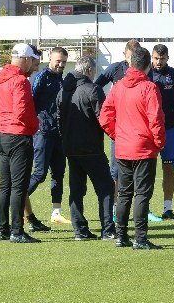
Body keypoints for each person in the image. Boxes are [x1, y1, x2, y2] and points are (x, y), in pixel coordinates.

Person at [99, 47, 165, 250]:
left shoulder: (118, 87)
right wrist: (159, 142)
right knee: (142, 193)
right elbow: (156, 119)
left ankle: (121, 236)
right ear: (148, 65)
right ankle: (140, 238)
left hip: (124, 148)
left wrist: (117, 135)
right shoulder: (149, 88)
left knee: (125, 193)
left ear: (130, 64)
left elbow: (104, 117)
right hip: (143, 148)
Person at [57, 56, 115, 241]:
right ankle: (108, 229)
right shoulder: (93, 89)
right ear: (89, 70)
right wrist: (117, 136)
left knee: (76, 189)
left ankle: (80, 230)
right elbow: (104, 119)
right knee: (105, 188)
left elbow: (59, 119)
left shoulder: (63, 91)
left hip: (71, 148)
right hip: (91, 148)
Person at [0, 43, 41, 242]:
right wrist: (34, 125)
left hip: (1, 135)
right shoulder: (20, 81)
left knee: (5, 186)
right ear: (26, 59)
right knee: (19, 186)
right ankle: (17, 231)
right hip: (18, 136)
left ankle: (3, 229)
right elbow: (22, 112)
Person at [23, 46, 69, 232]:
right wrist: (36, 125)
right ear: (50, 59)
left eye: (64, 62)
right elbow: (31, 101)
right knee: (40, 173)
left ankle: (56, 212)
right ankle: (19, 201)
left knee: (58, 173)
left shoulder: (63, 80)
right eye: (58, 61)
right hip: (43, 132)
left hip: (59, 133)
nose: (60, 64)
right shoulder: (42, 77)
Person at [94, 39, 141, 212]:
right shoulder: (115, 68)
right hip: (119, 129)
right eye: (129, 58)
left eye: (135, 58)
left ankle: (141, 206)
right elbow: (95, 86)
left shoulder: (144, 70)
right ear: (124, 55)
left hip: (138, 129)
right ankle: (114, 206)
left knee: (140, 171)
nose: (131, 62)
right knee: (116, 170)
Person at [148, 44, 174, 220]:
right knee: (146, 170)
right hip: (148, 131)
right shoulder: (146, 74)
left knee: (168, 168)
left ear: (168, 58)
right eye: (156, 58)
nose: (158, 62)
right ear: (152, 57)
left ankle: (168, 208)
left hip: (169, 130)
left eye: (162, 59)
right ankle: (145, 209)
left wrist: (170, 111)